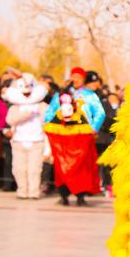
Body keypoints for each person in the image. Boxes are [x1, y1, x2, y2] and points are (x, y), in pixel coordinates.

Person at [43, 67, 106, 205]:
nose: (76, 80)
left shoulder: (90, 95)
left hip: (82, 136)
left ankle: (80, 195)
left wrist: (93, 129)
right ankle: (64, 195)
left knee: (82, 166)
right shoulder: (61, 94)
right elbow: (49, 112)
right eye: (74, 77)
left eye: (79, 77)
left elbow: (100, 113)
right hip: (63, 137)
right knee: (62, 166)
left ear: (84, 79)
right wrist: (49, 125)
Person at [4, 74, 49, 199]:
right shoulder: (15, 107)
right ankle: (22, 190)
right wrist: (24, 116)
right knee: (19, 169)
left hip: (37, 141)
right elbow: (10, 120)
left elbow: (49, 119)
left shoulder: (42, 106)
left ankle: (34, 192)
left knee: (34, 169)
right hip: (19, 141)